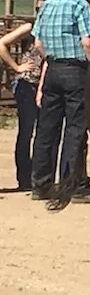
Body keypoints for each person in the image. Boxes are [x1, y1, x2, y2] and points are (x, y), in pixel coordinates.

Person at [29, 0, 90, 201]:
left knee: (47, 128)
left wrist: (50, 54)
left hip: (53, 68)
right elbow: (88, 40)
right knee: (75, 128)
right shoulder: (81, 4)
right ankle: (73, 184)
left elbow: (37, 42)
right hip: (75, 69)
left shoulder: (48, 4)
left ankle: (40, 184)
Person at [0, 17, 45, 189]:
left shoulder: (52, 28)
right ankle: (24, 178)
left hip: (44, 85)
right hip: (26, 83)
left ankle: (38, 177)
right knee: (26, 132)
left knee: (43, 134)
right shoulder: (30, 27)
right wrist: (17, 67)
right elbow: (2, 44)